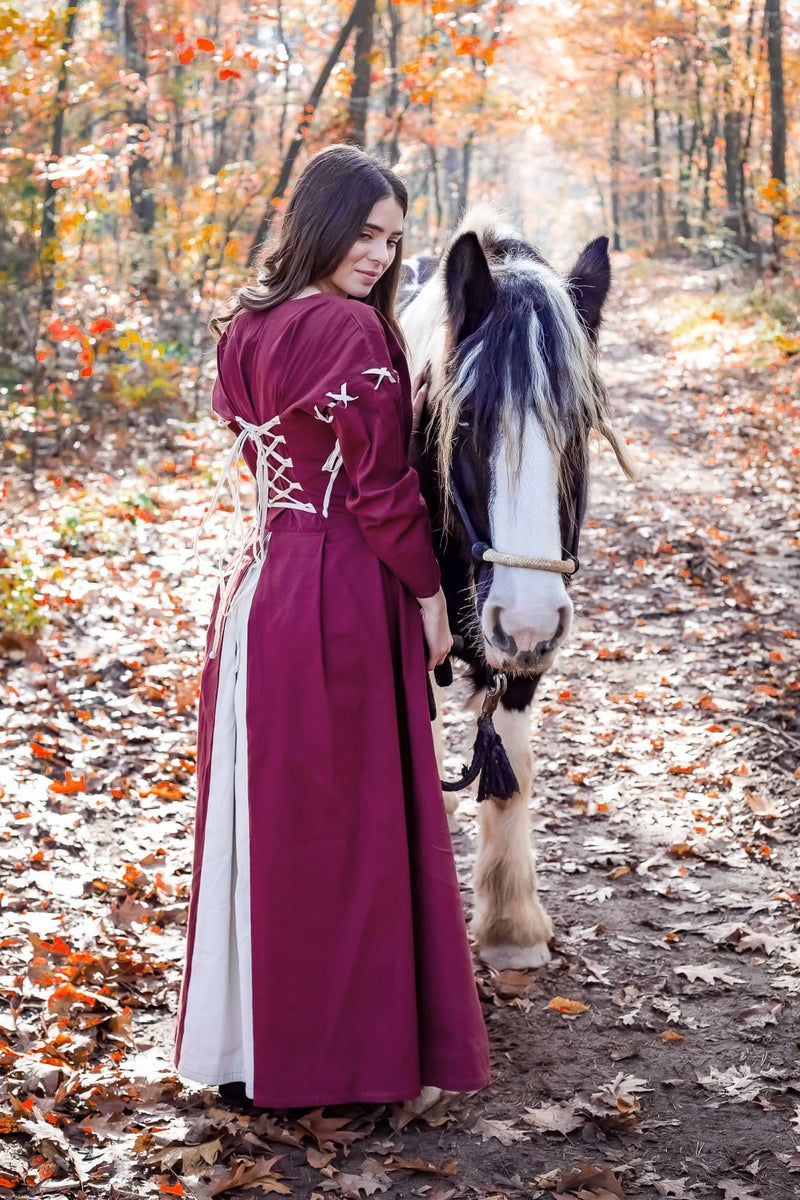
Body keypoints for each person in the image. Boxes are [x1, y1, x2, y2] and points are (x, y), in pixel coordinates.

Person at [174, 144, 491, 1109]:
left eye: (393, 241)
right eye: (364, 232)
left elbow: (281, 461)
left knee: (271, 825)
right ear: (323, 222)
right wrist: (434, 597)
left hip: (258, 591)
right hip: (343, 593)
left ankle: (251, 1049)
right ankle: (346, 1063)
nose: (378, 255)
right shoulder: (352, 332)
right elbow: (383, 491)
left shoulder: (246, 329)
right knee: (346, 834)